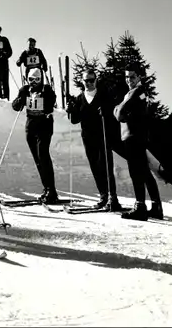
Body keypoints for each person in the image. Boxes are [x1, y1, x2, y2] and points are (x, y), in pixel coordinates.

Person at [66, 69, 124, 211]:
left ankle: (113, 198)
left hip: (103, 136)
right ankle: (103, 197)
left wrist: (107, 112)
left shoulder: (104, 95)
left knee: (106, 167)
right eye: (87, 80)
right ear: (82, 81)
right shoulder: (80, 99)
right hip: (88, 138)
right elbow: (74, 120)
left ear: (96, 80)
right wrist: (71, 110)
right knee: (95, 168)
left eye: (92, 80)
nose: (89, 83)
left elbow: (114, 115)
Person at [113, 64, 163, 221]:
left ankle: (140, 206)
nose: (129, 80)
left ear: (139, 77)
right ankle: (156, 207)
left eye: (132, 76)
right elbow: (122, 111)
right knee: (144, 171)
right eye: (127, 76)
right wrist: (121, 109)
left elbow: (119, 113)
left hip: (134, 136)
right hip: (134, 136)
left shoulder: (138, 92)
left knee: (136, 172)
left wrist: (119, 109)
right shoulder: (131, 93)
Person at [11, 68, 58, 203]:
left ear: (41, 79)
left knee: (43, 154)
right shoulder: (25, 90)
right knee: (37, 158)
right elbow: (15, 106)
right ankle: (46, 188)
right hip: (31, 125)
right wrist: (20, 100)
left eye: (37, 79)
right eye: (31, 79)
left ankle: (52, 190)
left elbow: (50, 105)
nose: (34, 82)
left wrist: (41, 100)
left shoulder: (47, 90)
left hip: (44, 124)